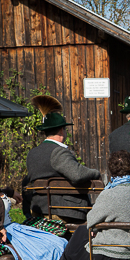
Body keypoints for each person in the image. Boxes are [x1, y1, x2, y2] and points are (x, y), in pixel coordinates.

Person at [0, 149, 68, 260]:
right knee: (49, 249)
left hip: (13, 229)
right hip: (5, 234)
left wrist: (10, 192)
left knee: (59, 243)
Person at [55, 150, 130, 260]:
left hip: (110, 257)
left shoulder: (108, 194)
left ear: (111, 172)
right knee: (81, 234)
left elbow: (91, 221)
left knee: (80, 235)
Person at [25, 95, 101, 223]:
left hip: (38, 209)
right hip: (65, 211)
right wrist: (96, 173)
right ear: (61, 130)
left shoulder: (32, 153)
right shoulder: (58, 152)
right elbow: (77, 174)